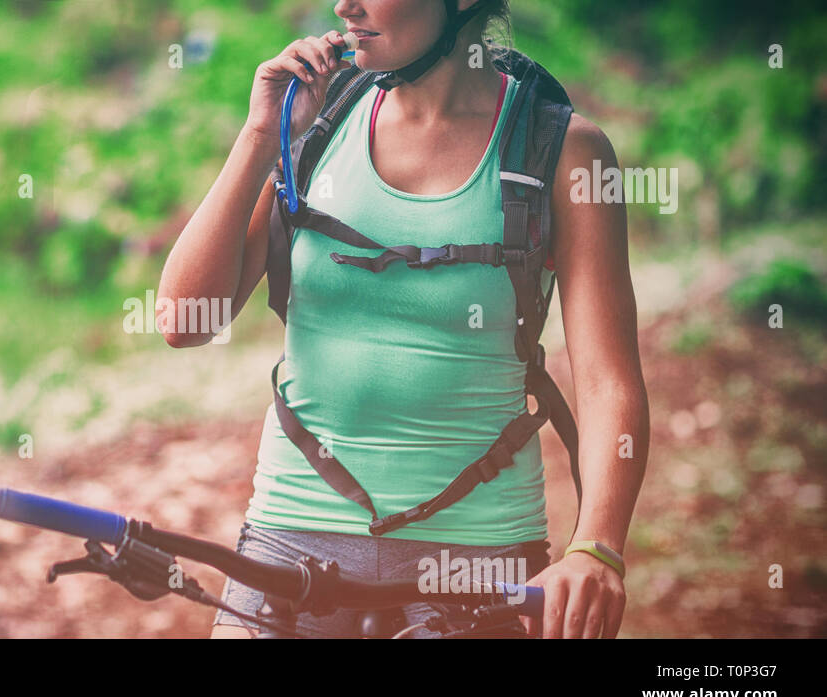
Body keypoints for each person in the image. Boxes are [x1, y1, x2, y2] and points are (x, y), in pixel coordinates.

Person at [157, 0, 649, 638]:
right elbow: (183, 320)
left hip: (476, 565)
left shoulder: (560, 150)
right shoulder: (315, 128)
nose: (345, 5)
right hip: (289, 546)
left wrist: (597, 548)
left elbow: (610, 379)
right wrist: (259, 136)